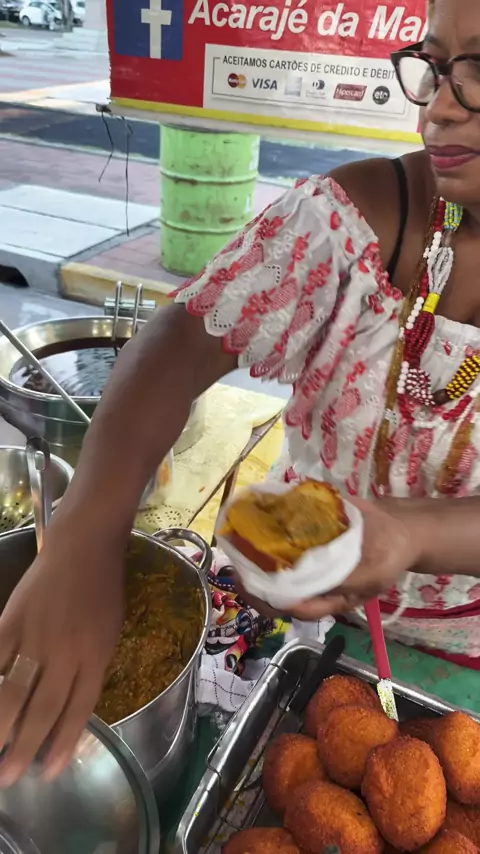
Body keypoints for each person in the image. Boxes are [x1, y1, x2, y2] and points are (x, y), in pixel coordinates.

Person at [0, 0, 479, 786]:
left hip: (464, 664)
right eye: (433, 64)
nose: (439, 106)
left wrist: (407, 532)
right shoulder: (365, 218)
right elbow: (178, 340)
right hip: (294, 606)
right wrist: (88, 528)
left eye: (479, 69)